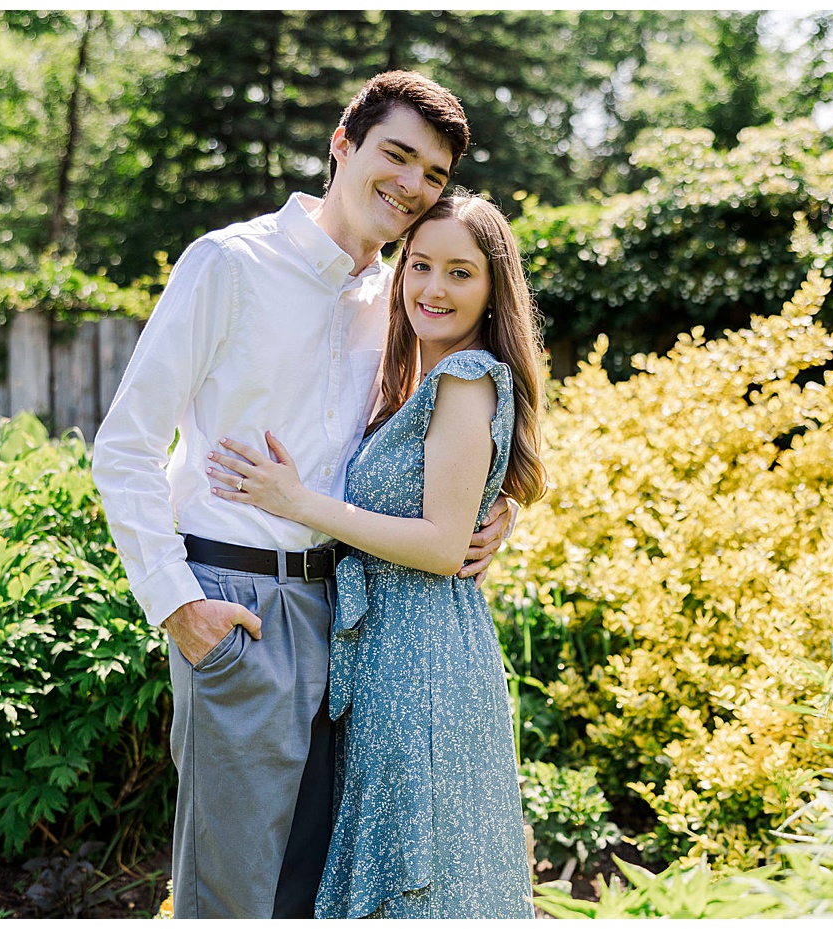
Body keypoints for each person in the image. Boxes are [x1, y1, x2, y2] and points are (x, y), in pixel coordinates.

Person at [92, 72, 514, 919]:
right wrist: (179, 606)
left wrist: (490, 511)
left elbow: (427, 445)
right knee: (231, 894)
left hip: (359, 622)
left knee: (315, 895)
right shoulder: (230, 264)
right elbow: (126, 444)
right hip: (239, 603)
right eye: (396, 155)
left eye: (433, 175)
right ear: (343, 146)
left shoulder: (400, 297)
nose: (412, 185)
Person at [206, 191, 546, 918]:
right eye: (420, 265)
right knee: (404, 863)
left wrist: (296, 501)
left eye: (461, 272)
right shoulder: (418, 376)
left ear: (493, 289)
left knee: (422, 871)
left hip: (421, 665)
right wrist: (501, 511)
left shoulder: (464, 378)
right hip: (393, 652)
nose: (433, 288)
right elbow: (457, 506)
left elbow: (440, 543)